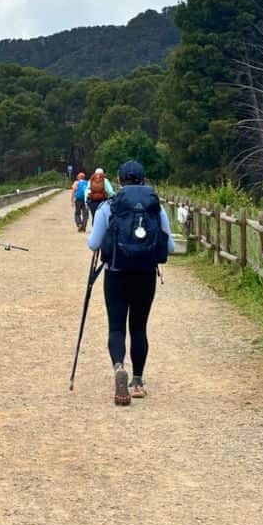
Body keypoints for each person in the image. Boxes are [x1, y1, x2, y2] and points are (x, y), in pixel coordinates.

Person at [87, 161, 175, 406]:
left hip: (116, 274)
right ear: (143, 179)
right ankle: (137, 382)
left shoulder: (109, 206)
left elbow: (94, 244)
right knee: (139, 327)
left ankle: (118, 368)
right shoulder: (156, 208)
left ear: (119, 180)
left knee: (116, 327)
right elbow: (169, 247)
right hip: (145, 274)